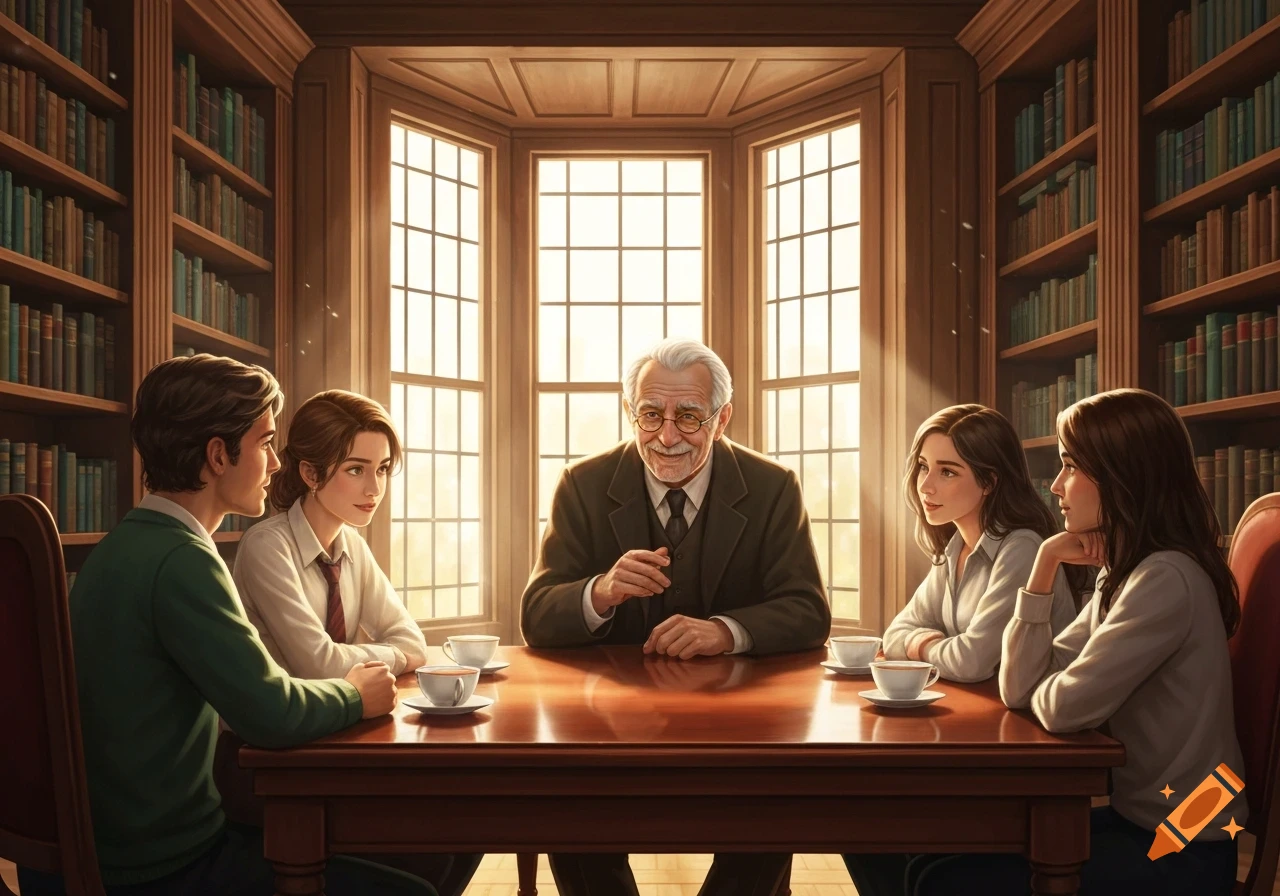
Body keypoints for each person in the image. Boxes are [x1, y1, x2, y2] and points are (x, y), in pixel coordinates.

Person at [19, 355, 433, 896]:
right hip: (159, 866)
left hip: (109, 850)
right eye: (265, 443)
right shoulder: (182, 559)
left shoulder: (131, 543)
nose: (277, 464)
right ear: (218, 455)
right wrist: (356, 696)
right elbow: (272, 712)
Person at [867, 389, 1248, 896]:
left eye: (1071, 467)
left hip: (1185, 841)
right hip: (1147, 820)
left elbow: (1063, 708)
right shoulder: (1125, 573)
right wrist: (1044, 567)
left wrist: (1047, 683)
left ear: (1120, 476)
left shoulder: (1164, 580)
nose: (1056, 485)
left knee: (942, 881)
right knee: (925, 863)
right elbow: (1019, 687)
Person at [521, 337, 830, 896]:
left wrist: (726, 632)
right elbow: (537, 615)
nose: (667, 437)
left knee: (776, 799)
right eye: (650, 415)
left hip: (741, 725)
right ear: (629, 413)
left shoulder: (773, 486)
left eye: (688, 416)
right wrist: (600, 592)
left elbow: (808, 610)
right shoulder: (582, 485)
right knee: (568, 802)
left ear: (722, 418)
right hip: (607, 725)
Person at [229, 389, 479, 896]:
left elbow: (412, 643)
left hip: (334, 740)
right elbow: (318, 664)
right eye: (356, 469)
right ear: (310, 472)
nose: (374, 487)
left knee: (468, 824)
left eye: (382, 469)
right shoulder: (267, 547)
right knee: (429, 850)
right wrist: (381, 658)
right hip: (269, 758)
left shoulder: (352, 546)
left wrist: (371, 658)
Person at [879, 404, 1078, 682]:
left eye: (947, 472)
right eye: (924, 467)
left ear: (989, 483)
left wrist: (919, 645)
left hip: (1033, 706)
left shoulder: (1022, 549)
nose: (925, 486)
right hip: (976, 701)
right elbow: (893, 636)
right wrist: (932, 645)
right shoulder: (955, 547)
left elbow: (971, 662)